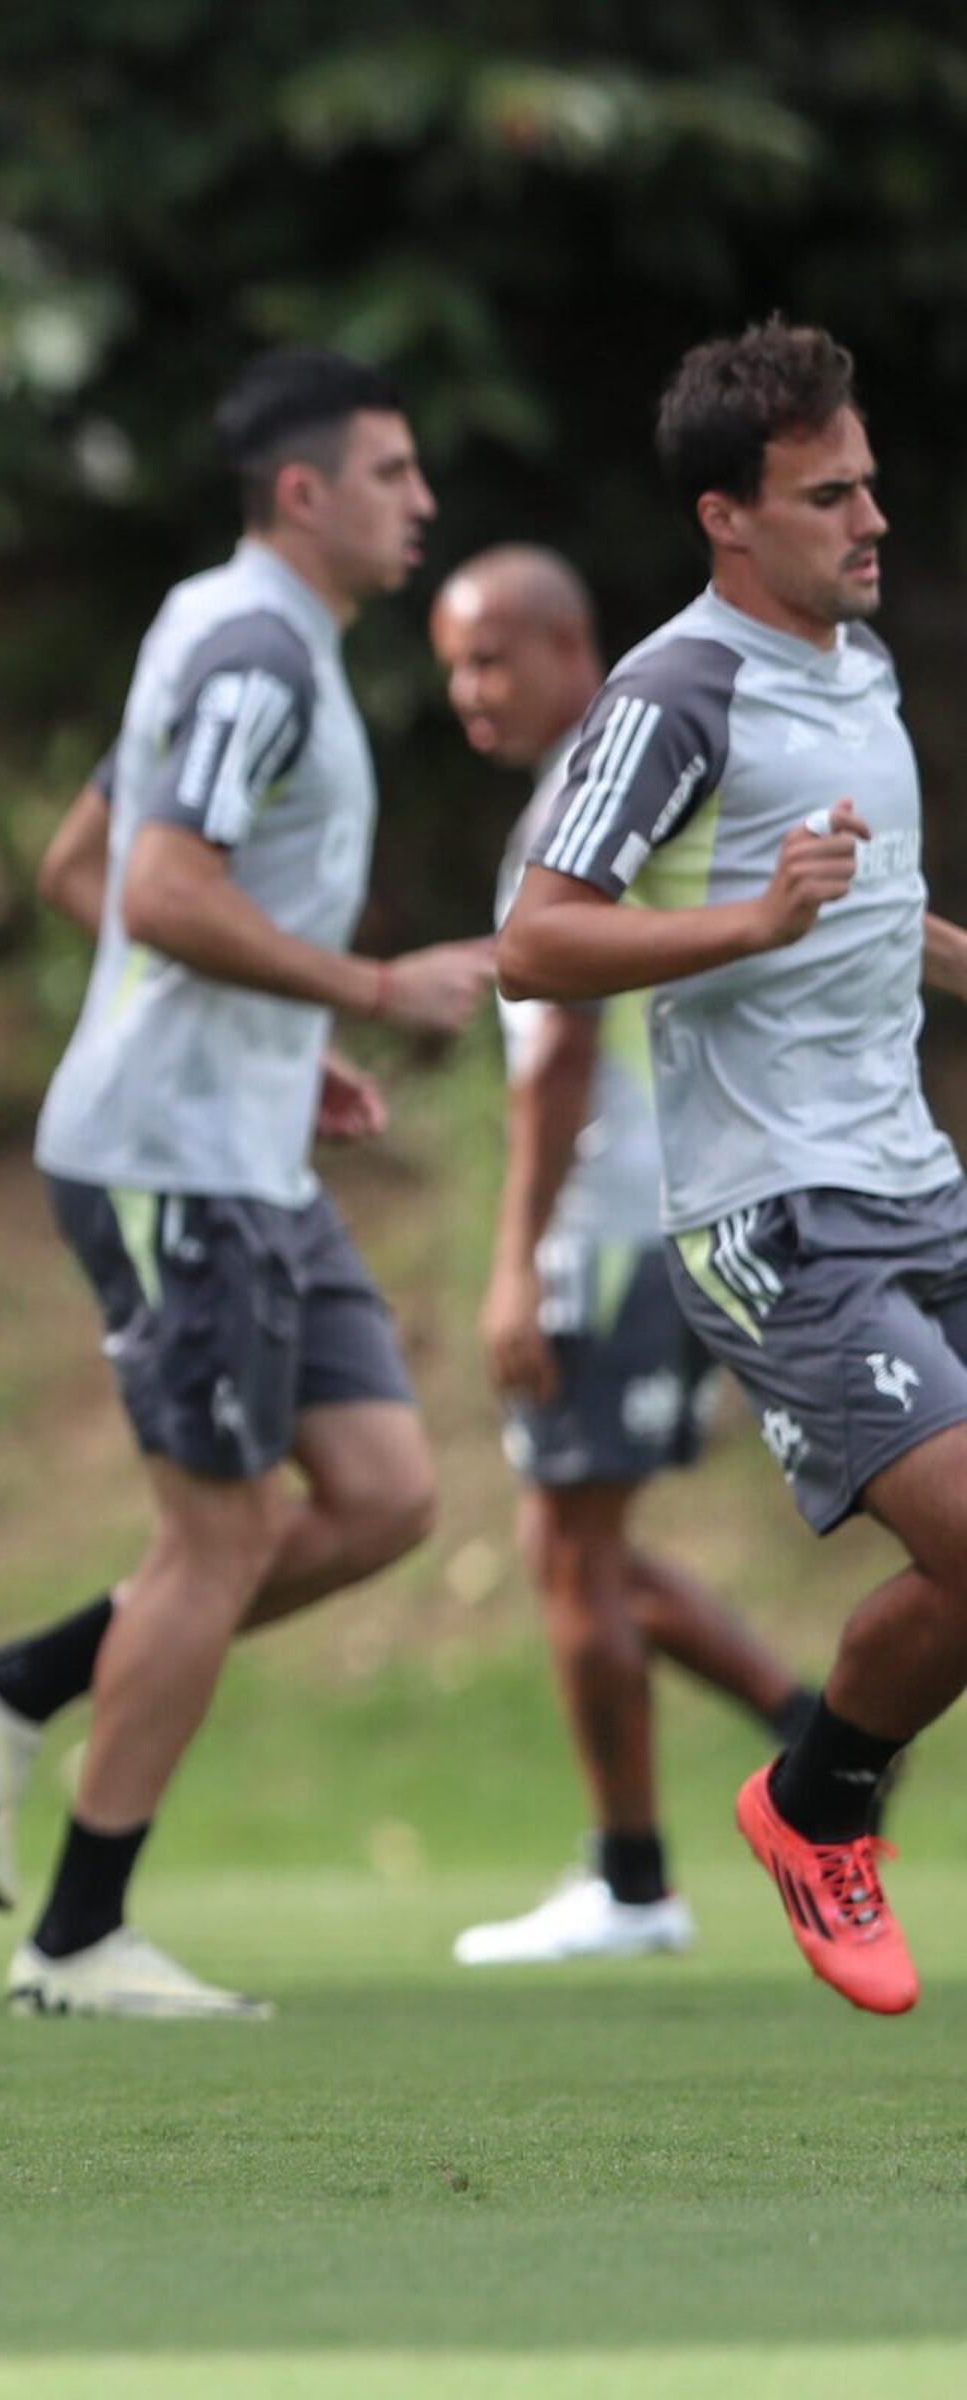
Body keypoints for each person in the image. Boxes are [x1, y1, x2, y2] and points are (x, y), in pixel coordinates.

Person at [0, 350, 496, 2018]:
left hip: (239, 1148)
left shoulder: (218, 621)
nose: (421, 502)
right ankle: (78, 1938)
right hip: (173, 1164)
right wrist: (367, 990)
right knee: (219, 1538)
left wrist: (272, 1040)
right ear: (305, 494)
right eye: (393, 472)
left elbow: (80, 866)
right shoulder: (256, 656)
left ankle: (14, 1683)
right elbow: (155, 890)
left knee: (383, 1496)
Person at [500, 321, 967, 2018]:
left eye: (870, 484)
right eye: (827, 494)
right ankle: (820, 1801)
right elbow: (535, 940)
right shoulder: (670, 691)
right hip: (773, 1221)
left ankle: (817, 1795)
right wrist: (748, 919)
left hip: (919, 1187)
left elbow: (871, 921)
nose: (871, 520)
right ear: (727, 517)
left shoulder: (859, 667)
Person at [436, 544, 819, 1968]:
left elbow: (555, 1069)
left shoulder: (577, 810)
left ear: (561, 641)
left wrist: (507, 1263)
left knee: (571, 1554)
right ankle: (806, 1736)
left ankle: (635, 1883)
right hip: (678, 1213)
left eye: (487, 660)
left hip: (606, 1230)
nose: (469, 697)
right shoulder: (637, 780)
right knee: (585, 1548)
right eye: (454, 671)